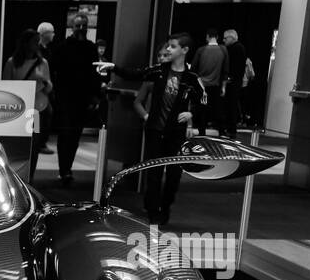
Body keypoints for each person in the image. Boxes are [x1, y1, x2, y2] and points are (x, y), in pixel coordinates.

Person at [96, 32, 203, 226]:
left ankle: (165, 207)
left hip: (176, 134)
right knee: (154, 173)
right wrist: (114, 67)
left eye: (173, 46)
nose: (168, 49)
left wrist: (191, 113)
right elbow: (135, 74)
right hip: (154, 130)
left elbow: (203, 102)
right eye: (168, 46)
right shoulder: (159, 70)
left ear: (185, 50)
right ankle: (153, 212)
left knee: (174, 175)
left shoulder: (191, 78)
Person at [49, 12, 101, 186]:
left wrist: (94, 96)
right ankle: (64, 170)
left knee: (75, 135)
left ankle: (67, 168)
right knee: (65, 134)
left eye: (84, 26)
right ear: (72, 27)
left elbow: (94, 74)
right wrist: (55, 93)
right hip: (65, 98)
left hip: (82, 99)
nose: (81, 28)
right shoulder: (63, 47)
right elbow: (53, 71)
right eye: (78, 25)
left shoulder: (91, 48)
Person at [2, 28, 53, 182]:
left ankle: (30, 178)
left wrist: (44, 82)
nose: (37, 45)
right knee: (16, 145)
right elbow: (5, 87)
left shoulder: (43, 63)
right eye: (34, 42)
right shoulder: (12, 62)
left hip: (36, 110)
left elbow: (49, 87)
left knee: (34, 144)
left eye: (38, 42)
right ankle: (15, 178)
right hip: (18, 111)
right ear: (25, 43)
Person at [194, 29, 230, 136]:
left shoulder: (201, 50)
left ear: (207, 37)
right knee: (218, 110)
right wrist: (224, 87)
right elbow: (226, 70)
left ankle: (201, 134)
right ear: (217, 37)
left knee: (202, 111)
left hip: (202, 86)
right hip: (216, 85)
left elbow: (193, 69)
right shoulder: (223, 50)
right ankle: (222, 133)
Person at [36, 22, 57, 154]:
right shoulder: (38, 50)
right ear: (45, 34)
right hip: (40, 89)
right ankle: (39, 143)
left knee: (46, 115)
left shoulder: (46, 50)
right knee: (43, 115)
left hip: (45, 88)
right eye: (52, 32)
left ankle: (39, 142)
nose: (53, 35)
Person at [222, 29, 247, 138]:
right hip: (235, 81)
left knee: (231, 106)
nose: (223, 40)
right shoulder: (238, 47)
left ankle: (231, 130)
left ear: (231, 38)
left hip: (233, 82)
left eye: (225, 38)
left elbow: (235, 67)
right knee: (231, 106)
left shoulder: (236, 48)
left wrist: (229, 78)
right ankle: (230, 129)